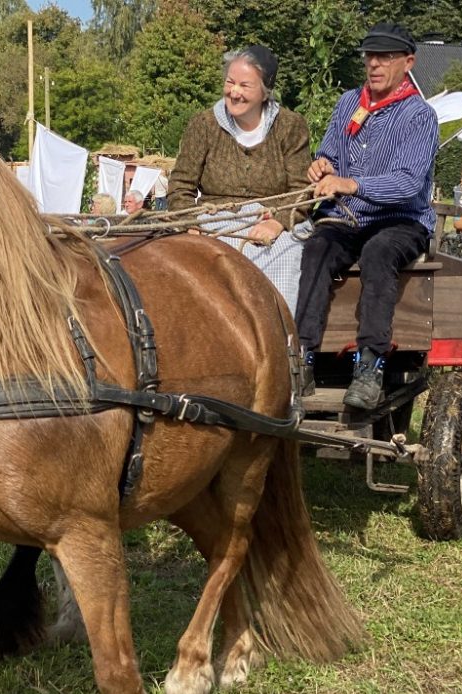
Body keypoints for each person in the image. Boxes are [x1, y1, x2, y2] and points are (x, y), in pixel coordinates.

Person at [293, 22, 439, 410]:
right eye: (370, 57)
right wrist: (322, 166)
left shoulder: (420, 116)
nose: (374, 64)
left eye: (385, 57)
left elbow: (408, 184)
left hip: (402, 219)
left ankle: (370, 365)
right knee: (316, 248)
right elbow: (331, 155)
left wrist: (351, 184)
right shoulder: (347, 103)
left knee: (377, 253)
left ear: (407, 62)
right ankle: (301, 360)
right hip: (349, 216)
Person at [167, 45, 311, 313]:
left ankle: (280, 341)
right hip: (216, 220)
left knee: (285, 253)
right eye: (230, 82)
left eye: (245, 85)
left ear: (265, 91)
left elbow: (302, 188)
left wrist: (279, 223)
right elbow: (180, 186)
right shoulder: (204, 125)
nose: (234, 92)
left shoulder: (290, 125)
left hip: (271, 219)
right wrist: (189, 221)